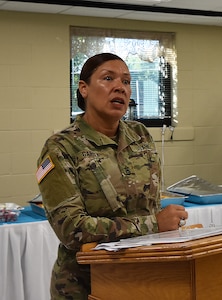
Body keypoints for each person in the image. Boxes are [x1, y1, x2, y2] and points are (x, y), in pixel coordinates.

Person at [36, 53, 188, 300]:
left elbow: (150, 206)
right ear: (83, 88)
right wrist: (153, 225)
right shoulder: (61, 147)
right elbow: (72, 230)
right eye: (108, 78)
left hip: (144, 277)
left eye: (127, 82)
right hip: (86, 285)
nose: (120, 87)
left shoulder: (140, 136)